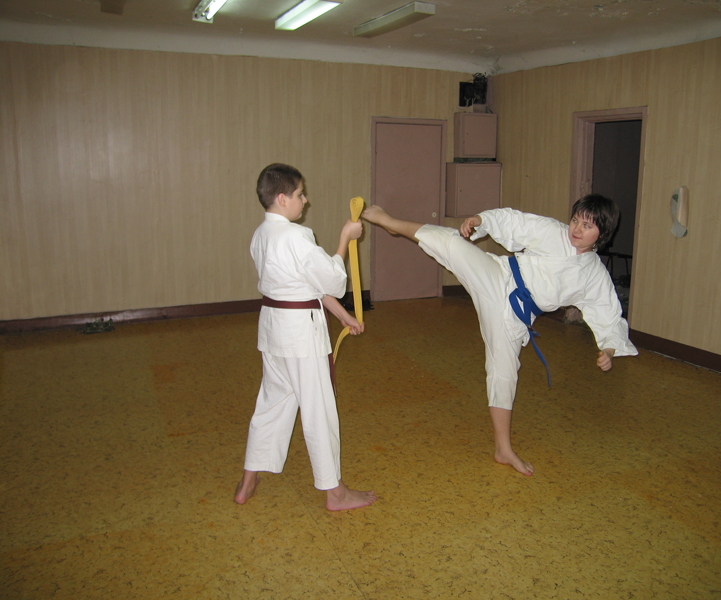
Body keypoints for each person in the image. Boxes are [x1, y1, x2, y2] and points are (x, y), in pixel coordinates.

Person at [362, 195, 637, 476]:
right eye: (575, 220)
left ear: (603, 234)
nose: (576, 229)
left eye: (587, 226)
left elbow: (608, 314)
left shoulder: (594, 276)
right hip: (499, 277)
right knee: (452, 244)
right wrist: (481, 220)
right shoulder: (553, 232)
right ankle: (391, 222)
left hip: (515, 318)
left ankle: (503, 449)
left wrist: (609, 349)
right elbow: (515, 221)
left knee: (504, 375)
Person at [234, 163, 377, 511]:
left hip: (274, 330)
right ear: (283, 199)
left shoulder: (261, 235)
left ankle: (248, 480)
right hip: (300, 334)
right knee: (318, 409)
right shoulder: (296, 237)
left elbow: (303, 286)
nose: (305, 200)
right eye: (300, 194)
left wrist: (343, 316)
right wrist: (345, 238)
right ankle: (335, 492)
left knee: (272, 403)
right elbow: (331, 280)